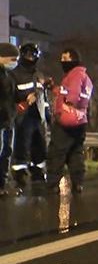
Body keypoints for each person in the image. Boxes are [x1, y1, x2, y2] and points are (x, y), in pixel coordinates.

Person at [47, 48, 93, 194]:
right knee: (75, 152)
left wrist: (69, 103)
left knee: (57, 151)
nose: (62, 61)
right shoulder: (84, 76)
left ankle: (53, 184)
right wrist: (54, 88)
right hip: (80, 120)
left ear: (74, 59)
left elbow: (72, 93)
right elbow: (65, 92)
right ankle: (78, 183)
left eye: (65, 59)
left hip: (67, 120)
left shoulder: (75, 75)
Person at [12, 43, 50, 187]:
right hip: (22, 116)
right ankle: (19, 173)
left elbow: (43, 98)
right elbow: (10, 97)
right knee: (21, 145)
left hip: (37, 116)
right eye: (27, 54)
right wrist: (24, 102)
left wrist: (47, 114)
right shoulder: (14, 74)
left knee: (39, 145)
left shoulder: (38, 74)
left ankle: (38, 171)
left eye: (33, 55)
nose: (30, 57)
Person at [0, 43, 20, 197]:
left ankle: (2, 184)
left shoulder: (10, 76)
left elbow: (12, 97)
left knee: (7, 152)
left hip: (9, 120)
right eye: (13, 59)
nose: (15, 62)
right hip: (1, 120)